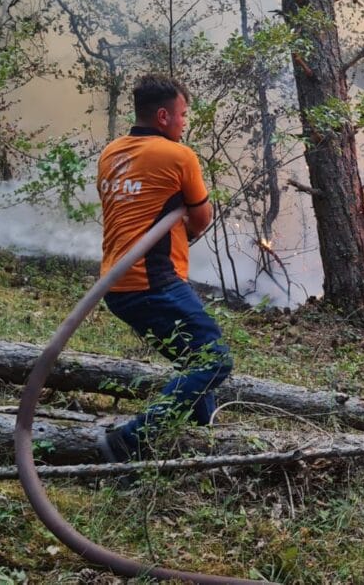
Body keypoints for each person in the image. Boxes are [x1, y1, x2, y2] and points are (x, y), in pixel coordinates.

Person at [96, 74, 232, 462]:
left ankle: (203, 443)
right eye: (182, 114)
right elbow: (201, 218)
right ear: (163, 116)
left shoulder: (111, 153)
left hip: (116, 286)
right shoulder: (178, 155)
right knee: (214, 359)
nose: (185, 122)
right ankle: (129, 440)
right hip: (153, 282)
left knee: (193, 361)